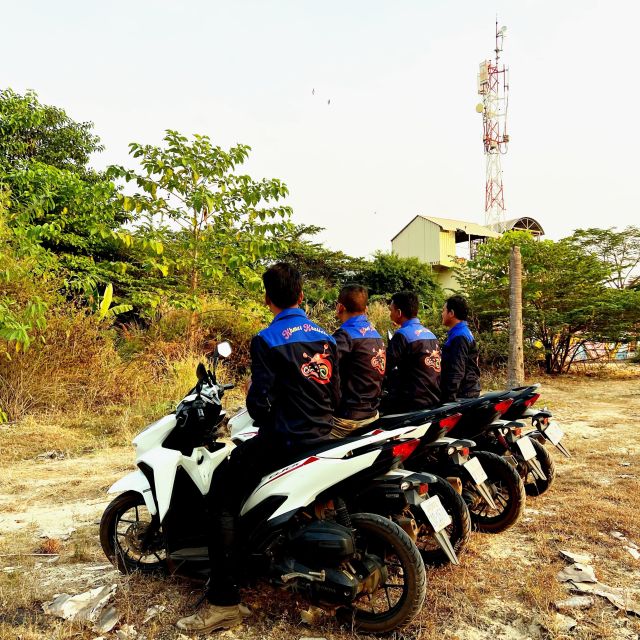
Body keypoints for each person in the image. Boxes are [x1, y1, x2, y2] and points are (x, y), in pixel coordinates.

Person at [177, 263, 339, 634]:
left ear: (267, 298)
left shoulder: (267, 339)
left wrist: (271, 413)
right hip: (324, 437)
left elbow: (258, 406)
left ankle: (223, 604)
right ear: (301, 296)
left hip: (284, 441)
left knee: (220, 494)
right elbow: (336, 394)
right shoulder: (326, 338)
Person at [331, 284, 385, 438]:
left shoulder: (344, 336)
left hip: (347, 420)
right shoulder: (376, 335)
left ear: (340, 307)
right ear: (366, 308)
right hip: (372, 414)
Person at [382, 291, 441, 413]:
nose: (390, 313)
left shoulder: (402, 335)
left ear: (399, 313)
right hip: (433, 399)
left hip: (410, 403)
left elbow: (385, 367)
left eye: (391, 310)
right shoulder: (431, 334)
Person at [440, 295, 481, 403]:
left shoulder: (460, 336)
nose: (442, 314)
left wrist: (448, 399)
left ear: (451, 313)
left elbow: (457, 370)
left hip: (462, 394)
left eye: (444, 310)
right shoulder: (461, 332)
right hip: (465, 391)